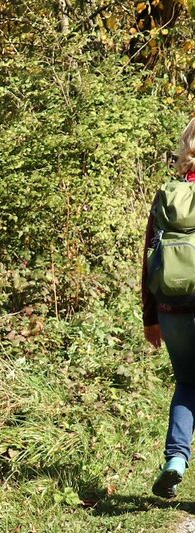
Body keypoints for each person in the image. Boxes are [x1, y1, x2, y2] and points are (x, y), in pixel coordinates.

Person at [144, 117, 195, 499]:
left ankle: (176, 460)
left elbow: (148, 258)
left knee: (188, 384)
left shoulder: (167, 194)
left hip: (171, 307)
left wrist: (150, 317)